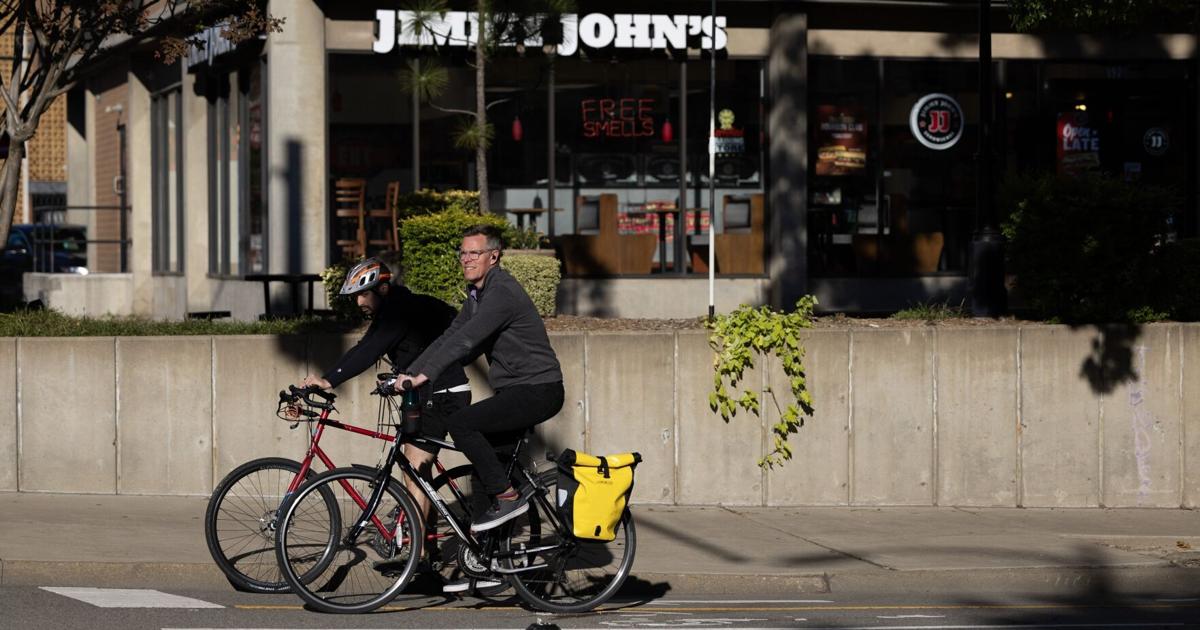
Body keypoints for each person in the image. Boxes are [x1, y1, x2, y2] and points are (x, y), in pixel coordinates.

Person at [402, 224, 564, 537]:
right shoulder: (478, 294)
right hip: (517, 391)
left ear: (493, 256)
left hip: (538, 390)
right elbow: (450, 335)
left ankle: (507, 496)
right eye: (462, 252)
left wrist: (425, 374)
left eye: (474, 253)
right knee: (486, 472)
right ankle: (485, 560)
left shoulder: (501, 292)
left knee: (463, 424)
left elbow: (467, 340)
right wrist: (410, 372)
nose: (466, 259)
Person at [297, 257, 470, 536]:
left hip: (440, 393)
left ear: (383, 289)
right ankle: (424, 543)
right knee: (415, 472)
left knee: (415, 468)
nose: (358, 303)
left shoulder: (400, 311)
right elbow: (365, 346)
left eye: (363, 294)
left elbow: (369, 352)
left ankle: (419, 556)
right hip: (423, 393)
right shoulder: (394, 310)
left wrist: (328, 380)